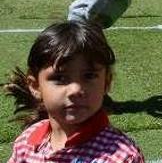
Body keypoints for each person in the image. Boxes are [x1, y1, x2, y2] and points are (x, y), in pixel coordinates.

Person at [4, 21, 145, 163]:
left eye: (89, 76)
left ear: (106, 83)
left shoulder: (120, 157)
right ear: (35, 86)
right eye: (60, 78)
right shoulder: (27, 142)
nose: (75, 90)